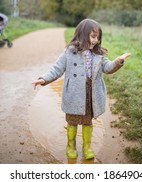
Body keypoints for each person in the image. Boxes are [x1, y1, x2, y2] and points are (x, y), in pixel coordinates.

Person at [32, 18, 131, 160]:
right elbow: (57, 69)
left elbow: (108, 68)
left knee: (87, 121)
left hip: (91, 93)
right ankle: (71, 145)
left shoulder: (99, 54)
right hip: (74, 92)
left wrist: (118, 61)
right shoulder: (69, 52)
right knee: (72, 120)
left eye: (97, 37)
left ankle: (87, 147)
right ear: (82, 35)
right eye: (93, 36)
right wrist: (44, 79)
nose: (96, 40)